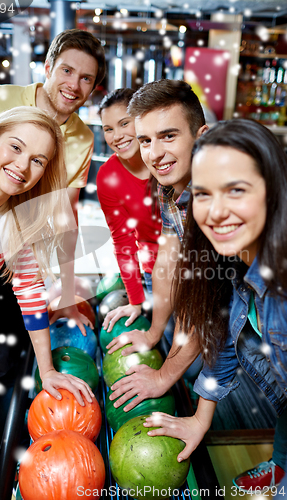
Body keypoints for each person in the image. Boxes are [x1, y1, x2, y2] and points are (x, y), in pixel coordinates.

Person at [0, 28, 106, 440]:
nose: (73, 85)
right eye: (67, 70)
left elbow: (64, 217)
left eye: (86, 78)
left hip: (10, 257)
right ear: (48, 67)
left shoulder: (82, 138)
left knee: (5, 362)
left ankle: (16, 451)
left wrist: (70, 295)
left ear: (94, 87)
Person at [0, 106, 95, 500]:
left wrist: (47, 372)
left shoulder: (16, 221)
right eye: (14, 147)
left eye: (37, 160)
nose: (22, 166)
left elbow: (31, 293)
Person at [144, 118, 287, 493]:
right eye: (204, 194)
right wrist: (200, 418)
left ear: (273, 190)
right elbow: (222, 335)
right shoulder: (234, 259)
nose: (216, 212)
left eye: (236, 190)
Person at [106, 79, 207, 412]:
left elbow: (198, 305)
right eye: (145, 140)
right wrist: (152, 332)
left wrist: (163, 377)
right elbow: (167, 260)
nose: (155, 153)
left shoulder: (213, 201)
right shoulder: (171, 190)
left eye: (168, 136)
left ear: (201, 136)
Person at [96, 88, 167, 335]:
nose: (116, 136)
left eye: (124, 123)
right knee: (167, 341)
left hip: (195, 267)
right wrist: (136, 300)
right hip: (153, 272)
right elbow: (123, 241)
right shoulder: (108, 176)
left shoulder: (166, 158)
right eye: (108, 129)